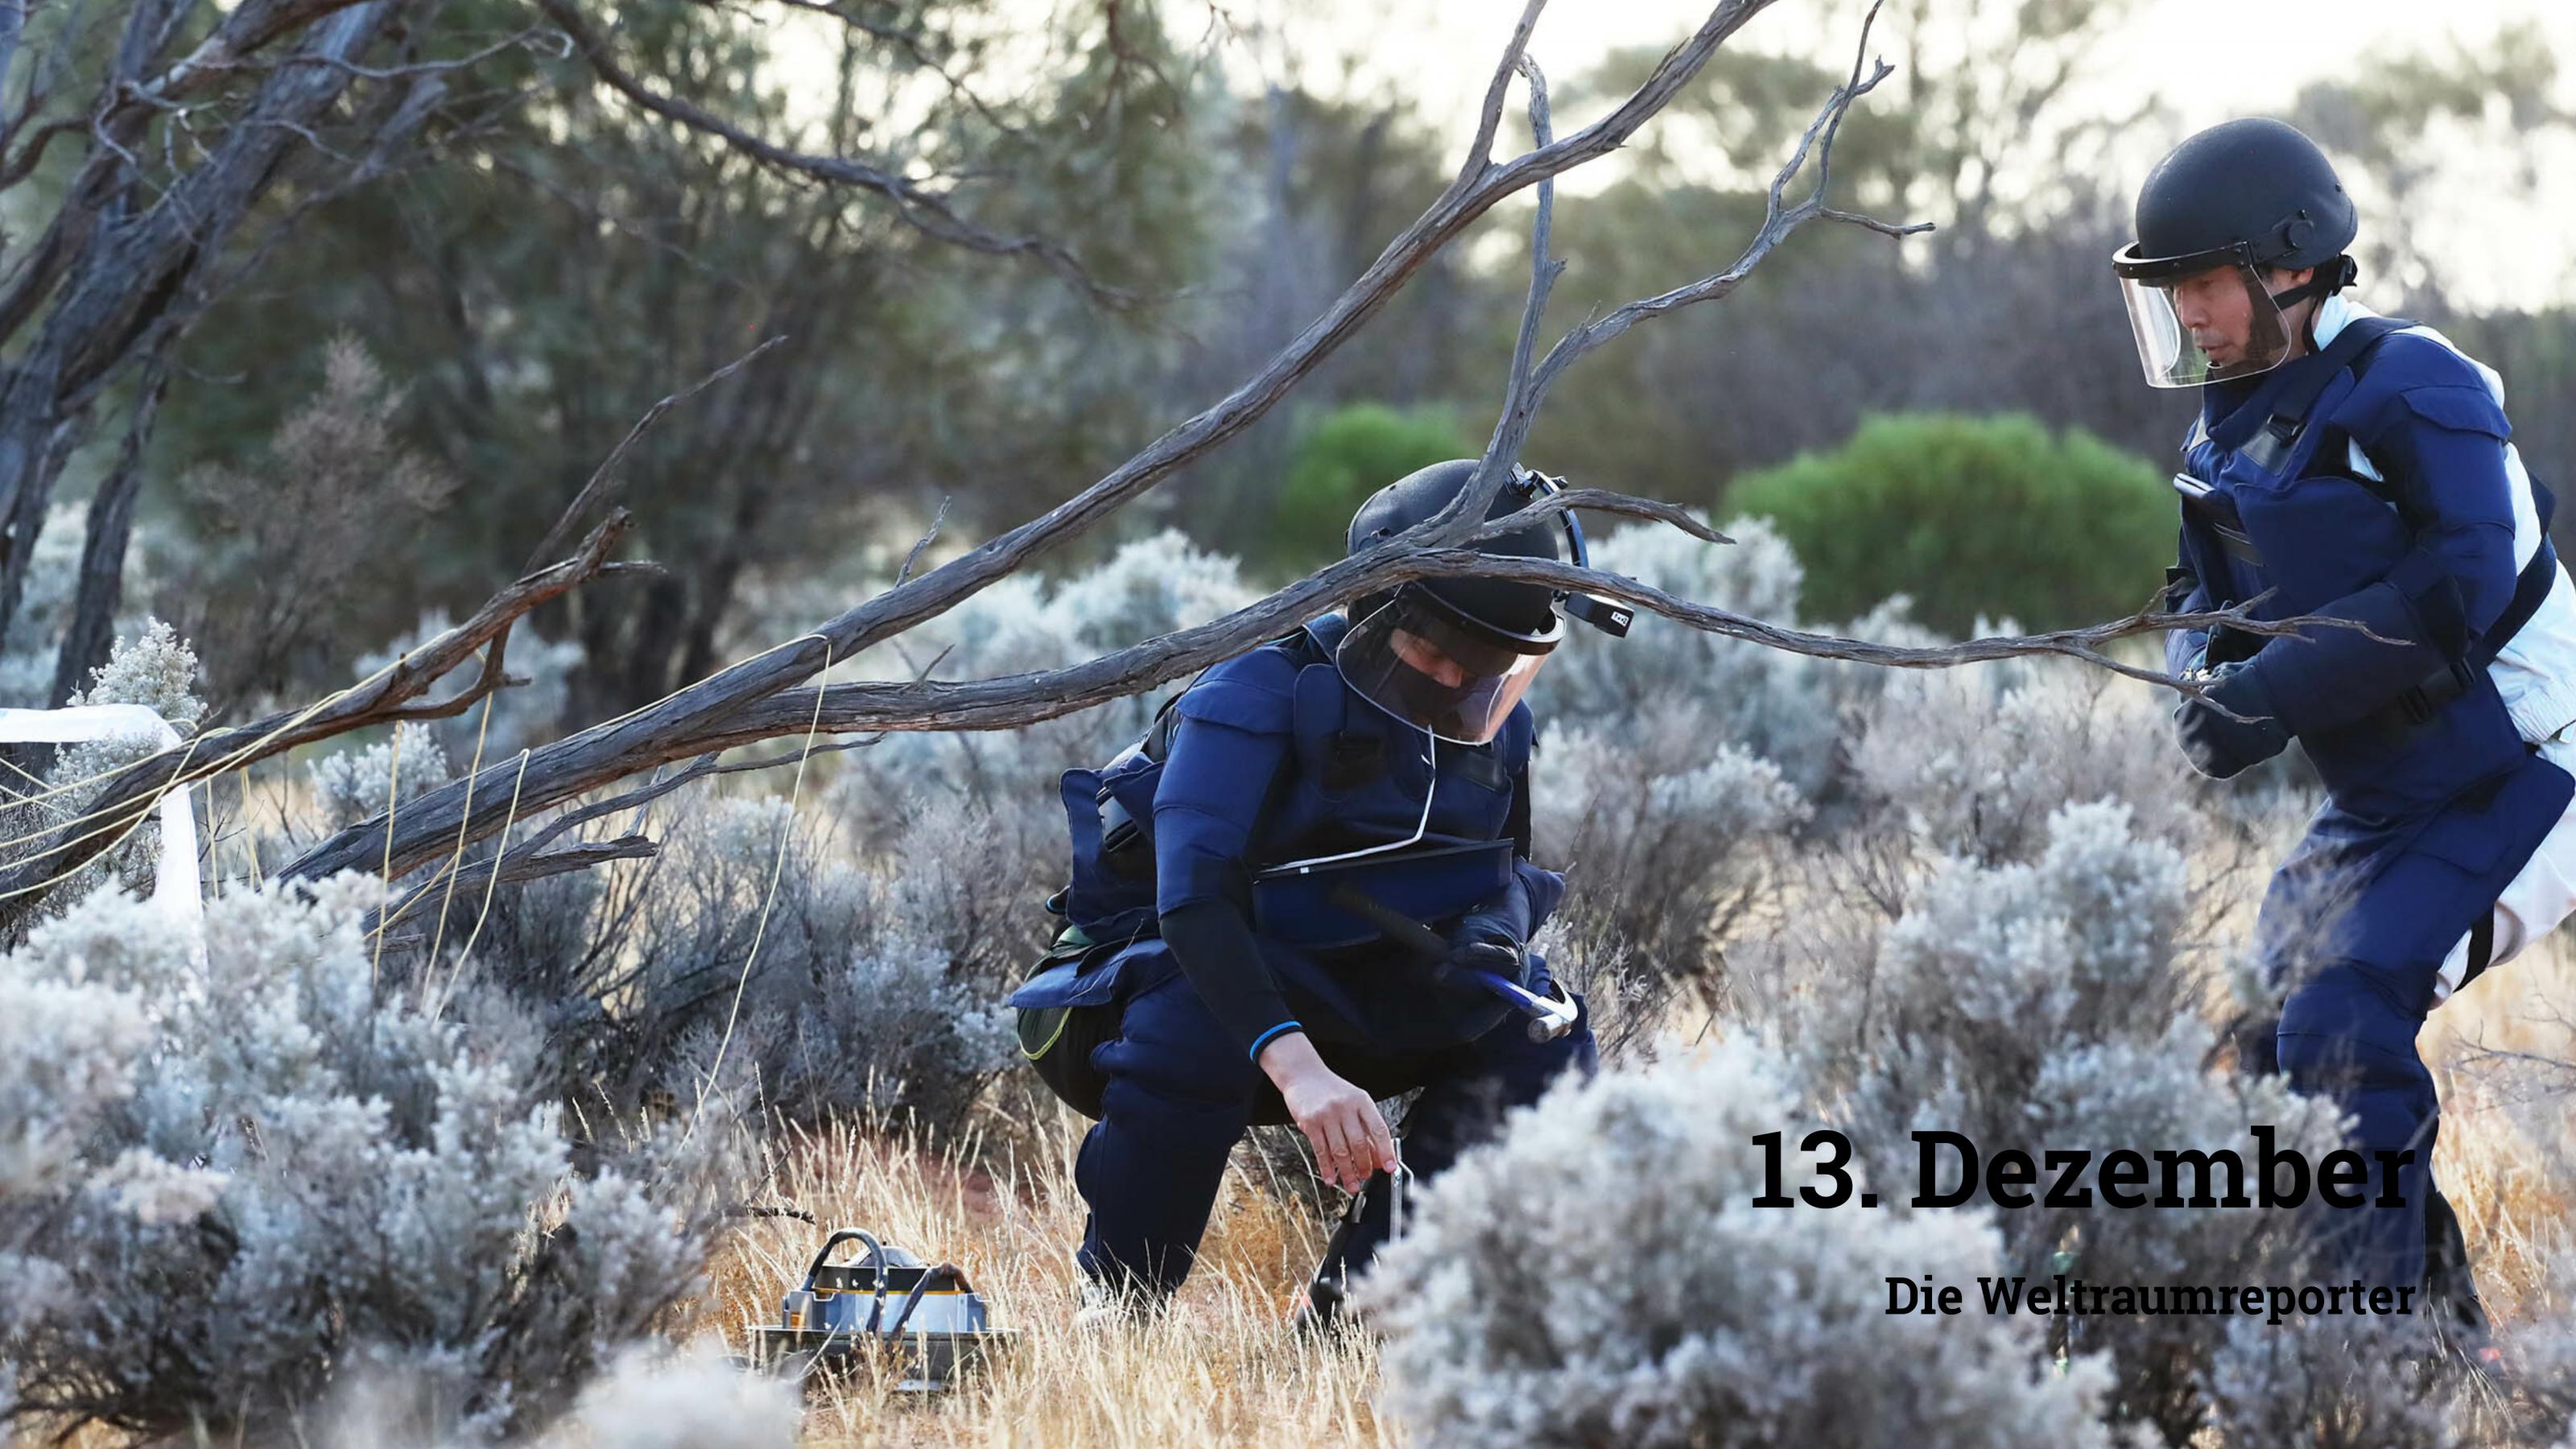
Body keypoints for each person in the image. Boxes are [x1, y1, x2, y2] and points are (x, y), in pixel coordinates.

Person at [2121, 118, 2576, 1306]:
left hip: (2535, 766)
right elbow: (2195, 593)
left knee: (2343, 1018)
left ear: (2291, 261)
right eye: (2172, 294)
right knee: (2276, 1033)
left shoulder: (2411, 378)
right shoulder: (2221, 422)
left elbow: (2463, 579)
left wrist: (2266, 695)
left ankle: (2381, 1355)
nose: (2190, 315)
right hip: (2393, 792)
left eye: (2204, 285)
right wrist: (2198, 687)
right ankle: (2436, 1336)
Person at [1009, 457, 1625, 1320]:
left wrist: (1493, 935)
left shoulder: (1496, 728)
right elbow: (1193, 904)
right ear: (1374, 603)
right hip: (1133, 1000)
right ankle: (1120, 1305)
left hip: (1341, 993)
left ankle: (1360, 1316)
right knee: (1189, 1006)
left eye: (1483, 664)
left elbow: (1501, 871)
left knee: (1539, 1030)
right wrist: (1300, 1072)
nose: (1455, 683)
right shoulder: (1249, 695)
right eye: (1432, 652)